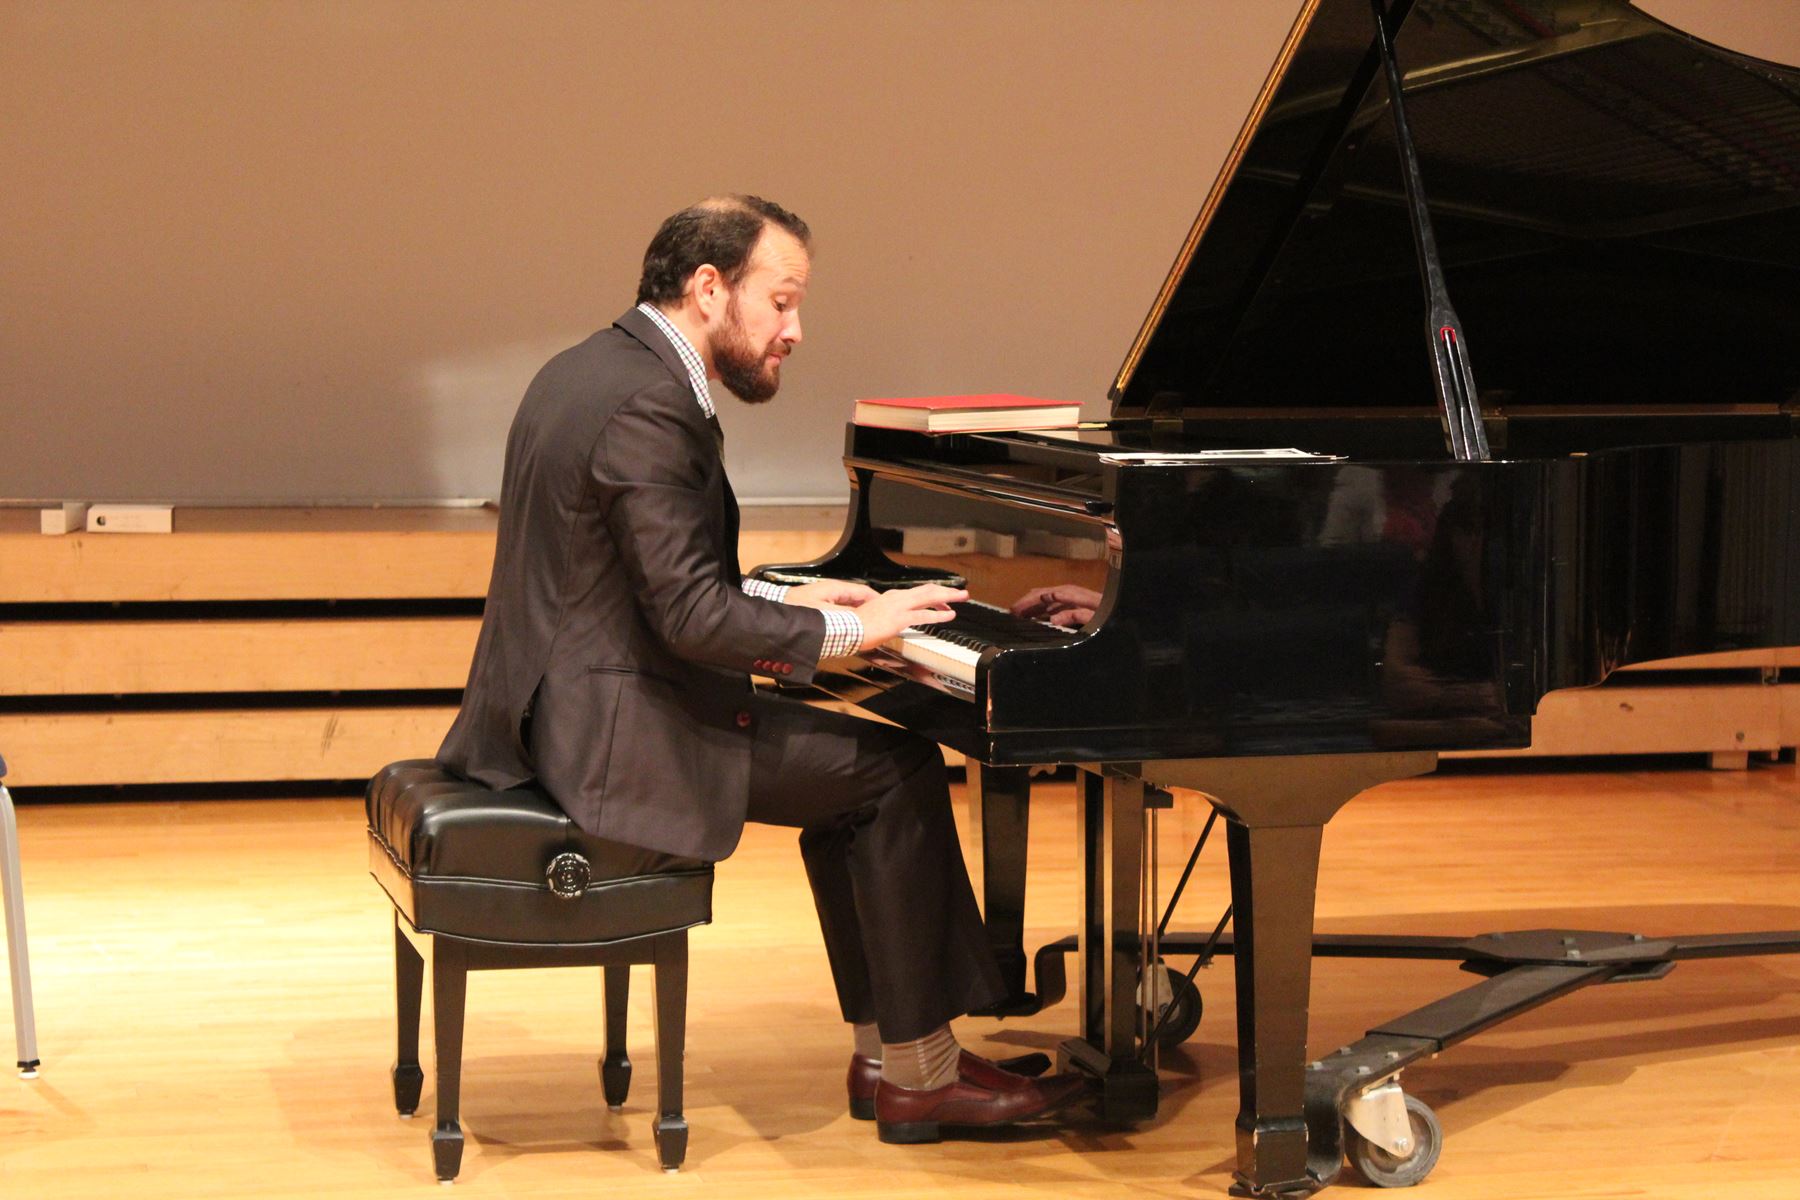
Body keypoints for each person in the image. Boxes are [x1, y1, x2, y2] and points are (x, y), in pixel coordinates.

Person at [437, 195, 1084, 1142]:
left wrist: (801, 602)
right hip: (612, 740)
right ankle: (919, 1075)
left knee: (857, 780)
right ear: (709, 287)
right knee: (892, 774)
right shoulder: (652, 403)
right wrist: (858, 629)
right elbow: (692, 616)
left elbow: (639, 580)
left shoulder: (592, 368)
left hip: (562, 711)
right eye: (780, 302)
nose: (795, 330)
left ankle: (889, 1055)